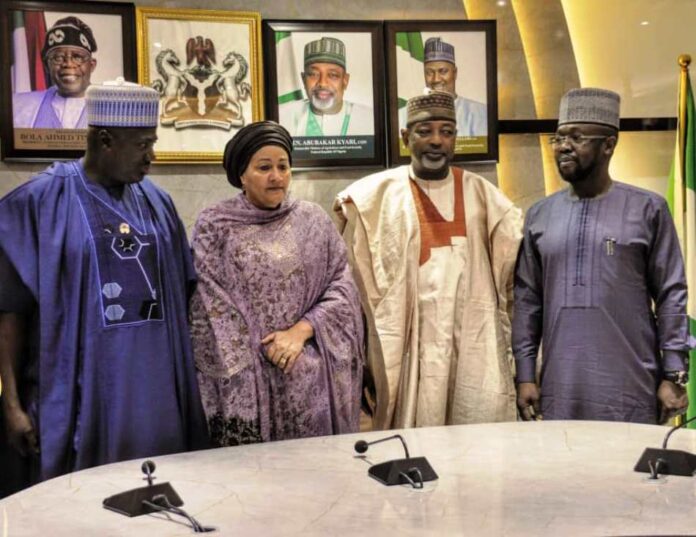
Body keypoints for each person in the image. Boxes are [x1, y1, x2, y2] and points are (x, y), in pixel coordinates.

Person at [0, 79, 208, 490]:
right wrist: (10, 405)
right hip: (79, 398)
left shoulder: (157, 203)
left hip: (155, 399)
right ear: (106, 140)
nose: (152, 156)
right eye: (143, 144)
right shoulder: (38, 204)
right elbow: (10, 312)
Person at [334, 92, 522, 429]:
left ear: (456, 138)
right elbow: (349, 284)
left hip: (468, 341)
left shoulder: (485, 197)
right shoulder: (374, 195)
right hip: (408, 347)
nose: (436, 141)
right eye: (425, 131)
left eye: (446, 131)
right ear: (406, 138)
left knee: (472, 440)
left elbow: (512, 274)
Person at [513, 88, 691, 424]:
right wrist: (524, 374)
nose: (563, 146)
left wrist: (674, 372)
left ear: (608, 144)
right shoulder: (539, 215)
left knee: (630, 474)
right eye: (558, 137)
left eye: (577, 137)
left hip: (632, 387)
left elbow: (671, 294)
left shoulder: (648, 209)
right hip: (559, 387)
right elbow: (527, 300)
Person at [189, 121, 364, 446]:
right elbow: (208, 303)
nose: (276, 176)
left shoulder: (312, 220)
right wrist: (260, 356)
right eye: (264, 167)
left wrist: (302, 331)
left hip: (314, 380)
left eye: (283, 166)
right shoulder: (215, 226)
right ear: (242, 174)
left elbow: (341, 286)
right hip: (249, 383)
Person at [13, 16, 98, 129]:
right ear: (47, 66)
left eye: (77, 57)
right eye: (58, 57)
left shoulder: (111, 108)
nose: (68, 64)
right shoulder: (19, 107)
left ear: (91, 65)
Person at [279, 37, 373, 137]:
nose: (322, 83)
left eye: (333, 75)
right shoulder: (282, 117)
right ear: (303, 79)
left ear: (345, 81)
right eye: (313, 74)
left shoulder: (369, 119)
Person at [399, 37, 487, 137]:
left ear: (455, 73)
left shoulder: (479, 113)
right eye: (429, 72)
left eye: (443, 71)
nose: (436, 79)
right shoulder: (404, 115)